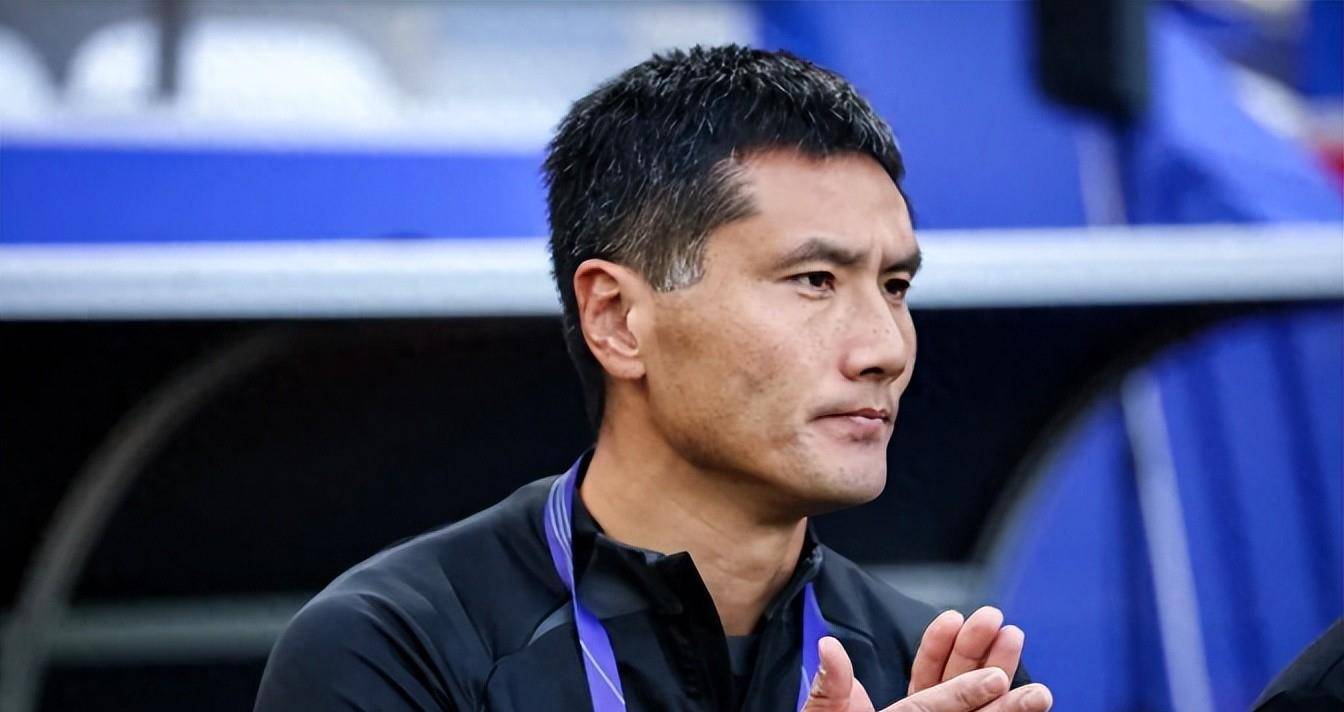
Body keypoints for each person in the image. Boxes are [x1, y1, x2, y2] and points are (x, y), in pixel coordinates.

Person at [254, 45, 1053, 712]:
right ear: (616, 318)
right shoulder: (394, 653)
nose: (884, 347)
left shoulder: (943, 674)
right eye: (814, 280)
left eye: (895, 285)